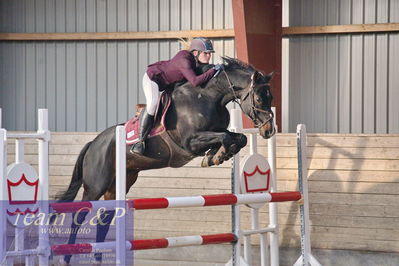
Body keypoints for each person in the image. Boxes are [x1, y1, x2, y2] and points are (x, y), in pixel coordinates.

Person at [131, 37, 225, 155]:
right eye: (206, 53)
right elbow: (195, 81)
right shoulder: (184, 59)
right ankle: (140, 141)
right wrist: (213, 70)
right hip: (152, 79)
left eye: (210, 54)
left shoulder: (195, 61)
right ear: (196, 52)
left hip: (168, 84)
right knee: (153, 103)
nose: (209, 56)